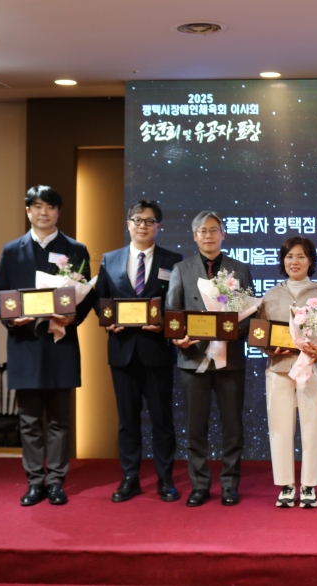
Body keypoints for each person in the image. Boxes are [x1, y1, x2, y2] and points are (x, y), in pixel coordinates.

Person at [0, 185, 96, 506]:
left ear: (58, 212)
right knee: (30, 420)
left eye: (50, 207)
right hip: (24, 344)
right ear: (28, 211)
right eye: (37, 206)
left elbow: (87, 297)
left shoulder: (75, 249)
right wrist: (12, 319)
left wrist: (72, 318)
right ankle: (35, 481)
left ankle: (57, 481)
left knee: (60, 419)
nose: (43, 212)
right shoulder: (12, 250)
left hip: (60, 343)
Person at [95, 200, 183, 503]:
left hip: (157, 351)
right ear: (128, 224)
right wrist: (107, 322)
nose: (142, 226)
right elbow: (100, 300)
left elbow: (178, 304)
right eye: (137, 220)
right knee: (127, 420)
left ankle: (165, 479)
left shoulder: (173, 260)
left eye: (149, 221)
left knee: (162, 419)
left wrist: (165, 325)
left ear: (159, 226)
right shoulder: (110, 259)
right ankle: (129, 478)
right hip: (122, 351)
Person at [165, 210, 254, 507]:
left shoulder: (239, 269)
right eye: (202, 231)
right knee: (196, 427)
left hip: (230, 360)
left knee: (232, 427)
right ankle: (199, 485)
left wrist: (230, 332)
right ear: (194, 236)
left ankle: (230, 484)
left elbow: (249, 316)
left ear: (223, 234)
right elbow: (172, 314)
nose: (208, 235)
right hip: (193, 359)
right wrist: (176, 337)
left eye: (214, 230)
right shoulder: (181, 269)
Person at [258, 236, 317, 509]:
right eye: (289, 256)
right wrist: (268, 348)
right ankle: (286, 485)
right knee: (279, 429)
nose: (295, 261)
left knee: (313, 428)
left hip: (313, 370)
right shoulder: (270, 295)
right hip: (278, 371)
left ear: (310, 261)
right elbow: (260, 334)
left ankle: (309, 486)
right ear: (282, 261)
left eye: (301, 256)